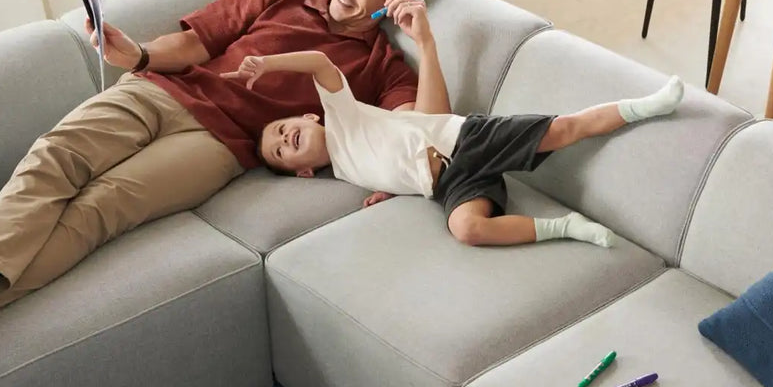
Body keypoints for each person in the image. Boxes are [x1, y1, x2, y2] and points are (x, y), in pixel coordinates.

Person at [0, 0, 448, 352]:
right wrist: (139, 55)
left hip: (221, 146)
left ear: (388, 1)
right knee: (55, 156)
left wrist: (424, 37)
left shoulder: (380, 65)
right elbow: (197, 44)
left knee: (102, 206)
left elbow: (428, 133)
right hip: (160, 90)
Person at [222, 50, 685, 247]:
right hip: (450, 183)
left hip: (466, 138)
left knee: (564, 129)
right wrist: (391, 190)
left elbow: (320, 63)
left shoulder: (343, 112)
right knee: (467, 230)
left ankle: (645, 105)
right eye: (281, 152)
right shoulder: (344, 171)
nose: (286, 140)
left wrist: (268, 63)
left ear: (308, 117)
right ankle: (565, 228)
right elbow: (392, 165)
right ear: (303, 173)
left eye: (283, 130)